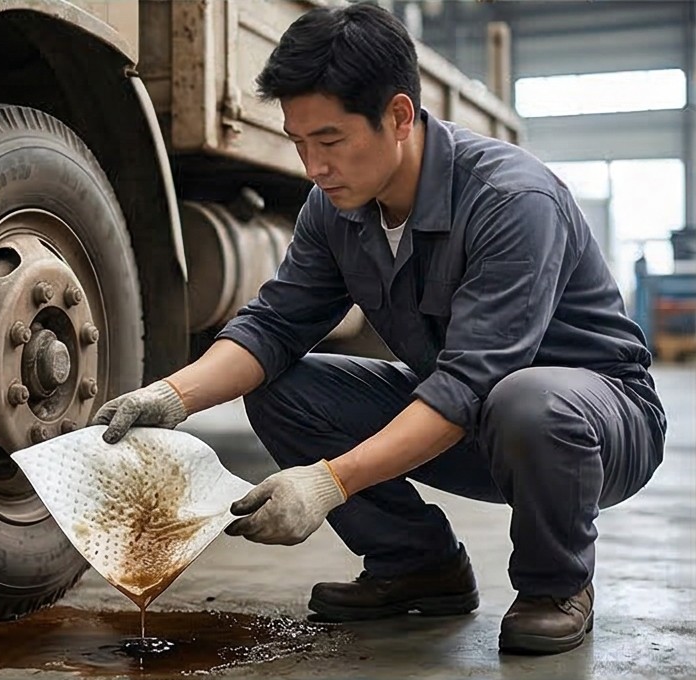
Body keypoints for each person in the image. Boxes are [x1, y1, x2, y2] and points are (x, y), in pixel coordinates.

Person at [93, 1, 665, 656]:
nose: (313, 166)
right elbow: (274, 325)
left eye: (330, 141)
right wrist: (170, 397)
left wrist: (328, 482)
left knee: (526, 399)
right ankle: (418, 567)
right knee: (280, 389)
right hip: (477, 418)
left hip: (591, 429)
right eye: (299, 143)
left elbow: (472, 383)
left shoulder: (511, 200)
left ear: (398, 116)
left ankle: (554, 586)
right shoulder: (334, 209)